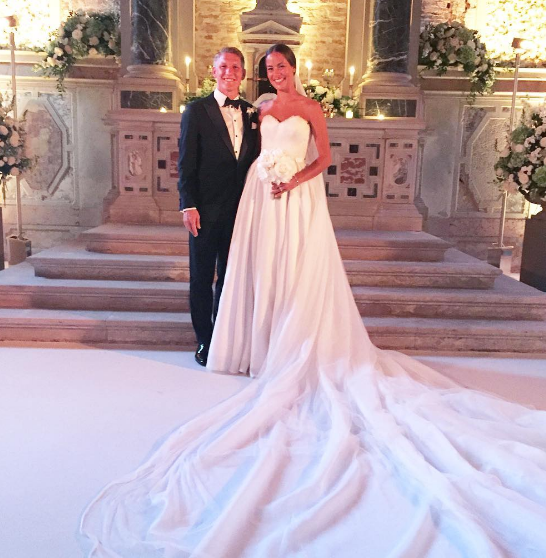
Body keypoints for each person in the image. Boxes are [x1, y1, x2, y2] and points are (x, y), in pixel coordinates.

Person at [81, 44, 546, 558]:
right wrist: (197, 200)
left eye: (278, 67)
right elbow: (214, 159)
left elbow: (323, 158)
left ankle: (283, 342)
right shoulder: (249, 108)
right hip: (250, 202)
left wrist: (293, 179)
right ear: (240, 73)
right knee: (235, 272)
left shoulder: (305, 108)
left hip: (293, 199)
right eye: (266, 69)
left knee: (286, 268)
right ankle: (218, 341)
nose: (272, 73)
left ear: (292, 69)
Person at [177, 47, 260, 366]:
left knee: (229, 276)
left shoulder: (253, 113)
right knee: (201, 277)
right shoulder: (197, 111)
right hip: (204, 209)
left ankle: (223, 338)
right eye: (224, 66)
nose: (229, 72)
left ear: (243, 74)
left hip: (240, 211)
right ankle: (204, 340)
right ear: (214, 71)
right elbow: (186, 163)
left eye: (236, 67)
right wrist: (188, 205)